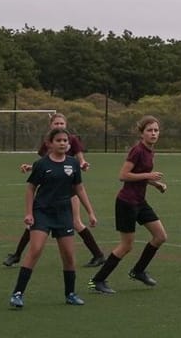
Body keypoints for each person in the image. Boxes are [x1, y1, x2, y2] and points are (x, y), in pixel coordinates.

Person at [6, 113, 106, 268]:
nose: (59, 126)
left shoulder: (71, 139)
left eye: (62, 124)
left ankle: (98, 255)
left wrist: (83, 164)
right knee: (33, 223)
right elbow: (47, 164)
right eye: (56, 124)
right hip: (51, 193)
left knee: (76, 223)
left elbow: (78, 160)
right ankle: (17, 255)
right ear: (51, 125)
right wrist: (31, 167)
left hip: (68, 192)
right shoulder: (48, 142)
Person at [8, 129, 93, 309]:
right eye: (59, 140)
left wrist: (90, 212)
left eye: (65, 141)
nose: (63, 143)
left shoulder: (73, 164)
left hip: (63, 214)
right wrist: (29, 213)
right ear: (50, 143)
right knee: (36, 249)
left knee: (69, 256)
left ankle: (70, 293)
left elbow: (79, 189)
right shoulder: (41, 164)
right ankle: (17, 293)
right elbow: (31, 188)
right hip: (43, 212)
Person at [89, 116, 171, 294]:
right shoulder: (137, 150)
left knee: (160, 237)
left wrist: (156, 184)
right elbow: (123, 175)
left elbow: (141, 174)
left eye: (156, 130)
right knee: (126, 246)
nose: (153, 133)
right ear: (142, 133)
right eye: (149, 130)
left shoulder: (150, 151)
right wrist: (149, 176)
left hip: (140, 202)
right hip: (126, 202)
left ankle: (138, 271)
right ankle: (97, 281)